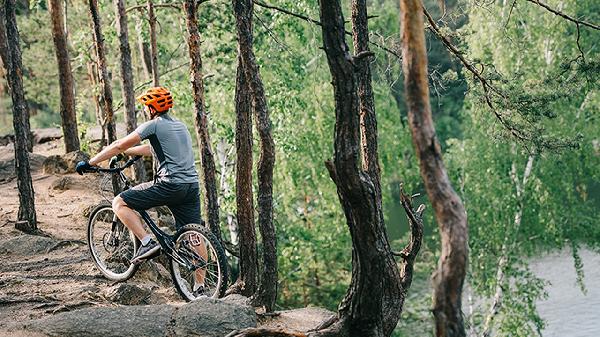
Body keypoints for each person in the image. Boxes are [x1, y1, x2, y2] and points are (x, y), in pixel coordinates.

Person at [76, 87, 206, 292]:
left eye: (146, 105)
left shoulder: (153, 125)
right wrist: (127, 152)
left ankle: (146, 242)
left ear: (152, 108)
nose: (145, 109)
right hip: (190, 187)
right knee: (193, 233)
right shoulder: (180, 126)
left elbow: (118, 144)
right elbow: (151, 149)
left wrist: (91, 162)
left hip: (169, 185)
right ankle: (200, 285)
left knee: (119, 202)